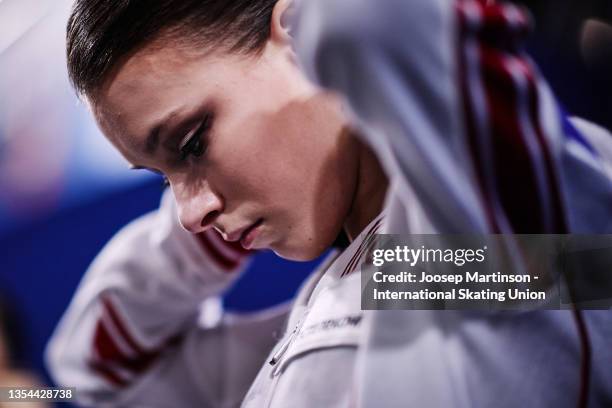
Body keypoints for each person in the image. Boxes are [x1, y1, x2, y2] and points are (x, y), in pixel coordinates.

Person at [47, 0, 612, 407]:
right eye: (161, 177)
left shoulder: (459, 250)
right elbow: (86, 379)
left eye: (192, 141)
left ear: (297, 33)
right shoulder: (363, 292)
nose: (189, 216)